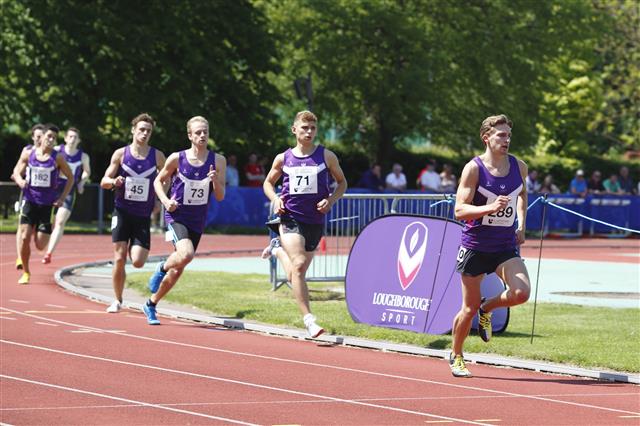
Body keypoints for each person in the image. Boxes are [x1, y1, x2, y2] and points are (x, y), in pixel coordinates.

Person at [450, 114, 530, 378]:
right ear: (487, 138)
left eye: (508, 135)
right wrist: (490, 207)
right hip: (475, 246)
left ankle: (489, 307)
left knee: (521, 293)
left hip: (505, 245)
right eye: (501, 135)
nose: (506, 139)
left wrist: (520, 223)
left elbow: (522, 194)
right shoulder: (474, 169)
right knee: (468, 308)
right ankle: (457, 355)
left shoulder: (519, 167)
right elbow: (459, 211)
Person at [261, 111, 347, 338]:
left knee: (295, 274)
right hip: (290, 217)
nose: (309, 132)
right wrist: (275, 199)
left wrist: (330, 200)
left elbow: (342, 183)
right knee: (298, 265)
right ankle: (310, 320)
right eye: (304, 128)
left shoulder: (326, 156)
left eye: (312, 129)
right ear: (294, 130)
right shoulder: (283, 158)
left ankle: (278, 251)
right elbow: (268, 183)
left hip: (315, 221)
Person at [145, 116, 226, 325]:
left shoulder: (218, 161)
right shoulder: (176, 158)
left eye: (205, 132)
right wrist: (165, 200)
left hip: (197, 220)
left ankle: (151, 304)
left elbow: (220, 196)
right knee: (186, 254)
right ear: (190, 135)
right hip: (176, 215)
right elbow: (158, 181)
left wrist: (215, 180)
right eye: (198, 132)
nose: (202, 136)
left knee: (180, 266)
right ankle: (161, 268)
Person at [100, 113, 166, 313]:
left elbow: (167, 177)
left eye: (148, 131)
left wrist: (159, 199)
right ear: (133, 130)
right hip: (121, 211)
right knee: (119, 257)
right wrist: (114, 182)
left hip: (142, 215)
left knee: (137, 261)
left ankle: (152, 265)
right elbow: (104, 181)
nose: (145, 133)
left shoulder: (157, 156)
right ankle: (118, 300)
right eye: (141, 130)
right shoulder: (121, 154)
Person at [11, 124, 74, 284]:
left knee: (40, 245)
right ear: (42, 137)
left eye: (54, 138)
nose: (51, 140)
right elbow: (17, 171)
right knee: (24, 237)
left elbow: (70, 178)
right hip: (30, 200)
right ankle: (26, 272)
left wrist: (62, 198)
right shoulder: (29, 154)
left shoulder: (57, 157)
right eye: (49, 137)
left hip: (47, 205)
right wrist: (20, 180)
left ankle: (36, 231)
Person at [43, 127, 91, 264]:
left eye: (75, 137)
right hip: (52, 188)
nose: (72, 139)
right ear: (65, 138)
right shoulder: (57, 150)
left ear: (78, 140)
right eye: (70, 136)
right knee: (45, 219)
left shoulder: (83, 156)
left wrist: (82, 182)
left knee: (60, 221)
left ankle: (48, 253)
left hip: (69, 190)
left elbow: (87, 171)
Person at [13, 124, 45, 270]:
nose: (40, 139)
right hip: (28, 192)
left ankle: (25, 249)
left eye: (42, 136)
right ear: (33, 137)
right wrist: (20, 180)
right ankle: (20, 256)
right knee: (22, 226)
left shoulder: (51, 153)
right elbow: (16, 170)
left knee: (36, 234)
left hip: (44, 198)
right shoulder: (27, 151)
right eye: (37, 136)